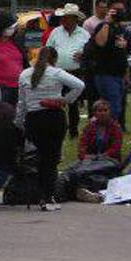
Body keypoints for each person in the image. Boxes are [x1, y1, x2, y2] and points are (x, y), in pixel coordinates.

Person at [15, 46, 85, 210]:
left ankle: (39, 194)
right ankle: (47, 197)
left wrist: (18, 123)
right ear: (54, 59)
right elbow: (80, 85)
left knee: (39, 158)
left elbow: (21, 103)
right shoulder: (56, 73)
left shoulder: (24, 74)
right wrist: (65, 100)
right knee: (51, 159)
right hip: (53, 118)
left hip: (33, 120)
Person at [44, 3, 90, 138]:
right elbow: (48, 50)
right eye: (63, 17)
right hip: (57, 72)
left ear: (74, 19)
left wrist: (83, 54)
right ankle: (57, 128)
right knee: (56, 101)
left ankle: (73, 131)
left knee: (73, 102)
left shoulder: (84, 34)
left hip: (75, 72)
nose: (63, 20)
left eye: (66, 17)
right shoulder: (55, 32)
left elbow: (90, 51)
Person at [90, 0, 130, 129]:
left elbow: (123, 53)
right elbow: (100, 43)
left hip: (119, 75)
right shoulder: (103, 27)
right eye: (116, 10)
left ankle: (108, 133)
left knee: (118, 107)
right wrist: (106, 22)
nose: (120, 13)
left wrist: (126, 73)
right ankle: (106, 134)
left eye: (122, 10)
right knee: (113, 108)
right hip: (106, 74)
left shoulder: (122, 29)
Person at [0, 10, 26, 106]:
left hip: (19, 87)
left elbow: (24, 61)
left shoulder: (16, 42)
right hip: (0, 88)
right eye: (9, 27)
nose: (12, 29)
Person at [77, 99, 124, 163]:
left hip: (110, 159)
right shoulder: (89, 127)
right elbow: (82, 145)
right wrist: (85, 156)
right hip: (89, 159)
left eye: (105, 110)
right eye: (100, 111)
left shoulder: (116, 127)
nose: (103, 113)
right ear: (94, 113)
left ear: (110, 112)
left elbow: (115, 149)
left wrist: (100, 157)